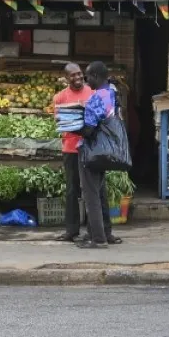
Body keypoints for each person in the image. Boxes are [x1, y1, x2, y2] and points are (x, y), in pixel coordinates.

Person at [75, 61, 121, 250]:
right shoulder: (111, 93)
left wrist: (74, 126)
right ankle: (106, 233)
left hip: (91, 151)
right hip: (105, 151)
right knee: (100, 192)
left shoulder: (96, 98)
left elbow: (89, 129)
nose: (86, 81)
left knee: (91, 194)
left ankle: (98, 239)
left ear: (95, 76)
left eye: (88, 77)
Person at [53, 63, 94, 242]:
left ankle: (93, 230)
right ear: (66, 78)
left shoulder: (91, 93)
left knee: (91, 191)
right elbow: (58, 121)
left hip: (90, 148)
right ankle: (71, 230)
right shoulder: (60, 97)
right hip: (70, 149)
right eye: (73, 75)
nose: (77, 78)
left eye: (79, 74)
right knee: (72, 191)